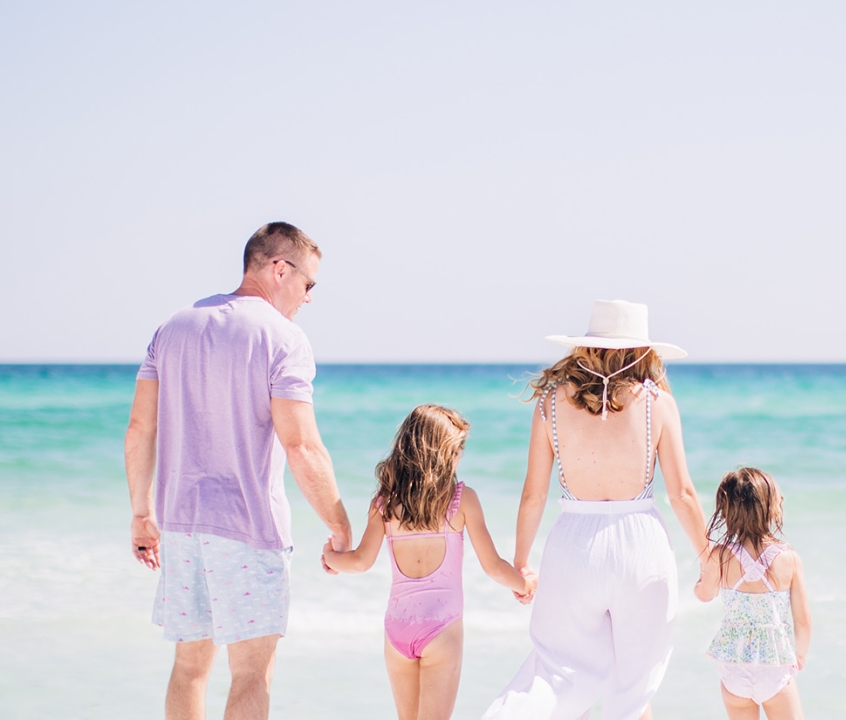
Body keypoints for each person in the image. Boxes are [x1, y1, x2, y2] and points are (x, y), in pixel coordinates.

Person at [124, 221, 353, 720]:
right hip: (249, 529)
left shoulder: (173, 327)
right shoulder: (284, 338)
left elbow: (140, 429)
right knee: (252, 673)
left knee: (189, 668)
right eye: (308, 283)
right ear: (279, 268)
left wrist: (142, 514)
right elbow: (302, 445)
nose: (309, 297)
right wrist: (339, 525)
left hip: (181, 526)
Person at [483, 300, 711, 720]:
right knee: (634, 689)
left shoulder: (551, 404)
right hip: (641, 547)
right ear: (642, 351)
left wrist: (520, 563)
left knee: (564, 677)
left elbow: (533, 494)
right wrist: (708, 559)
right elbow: (682, 494)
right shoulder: (657, 403)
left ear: (585, 348)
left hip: (574, 545)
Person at [323, 405, 538, 720]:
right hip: (442, 629)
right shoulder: (461, 500)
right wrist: (525, 584)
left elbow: (360, 562)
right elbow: (492, 566)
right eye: (459, 450)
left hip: (397, 630)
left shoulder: (384, 504)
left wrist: (331, 558)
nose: (461, 458)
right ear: (444, 454)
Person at [693, 467, 813, 720]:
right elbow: (803, 619)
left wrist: (701, 580)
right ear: (771, 508)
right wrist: (799, 654)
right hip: (774, 665)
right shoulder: (788, 558)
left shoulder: (721, 555)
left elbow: (704, 594)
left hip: (734, 665)